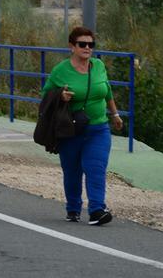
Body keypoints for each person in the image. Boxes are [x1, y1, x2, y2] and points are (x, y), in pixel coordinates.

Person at [42, 26, 123, 226]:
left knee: (95, 167)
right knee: (72, 171)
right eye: (82, 44)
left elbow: (107, 90)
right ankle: (73, 208)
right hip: (71, 129)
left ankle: (97, 210)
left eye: (91, 44)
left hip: (98, 128)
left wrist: (115, 114)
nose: (87, 48)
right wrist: (60, 96)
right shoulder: (61, 71)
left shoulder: (98, 66)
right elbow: (45, 97)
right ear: (72, 46)